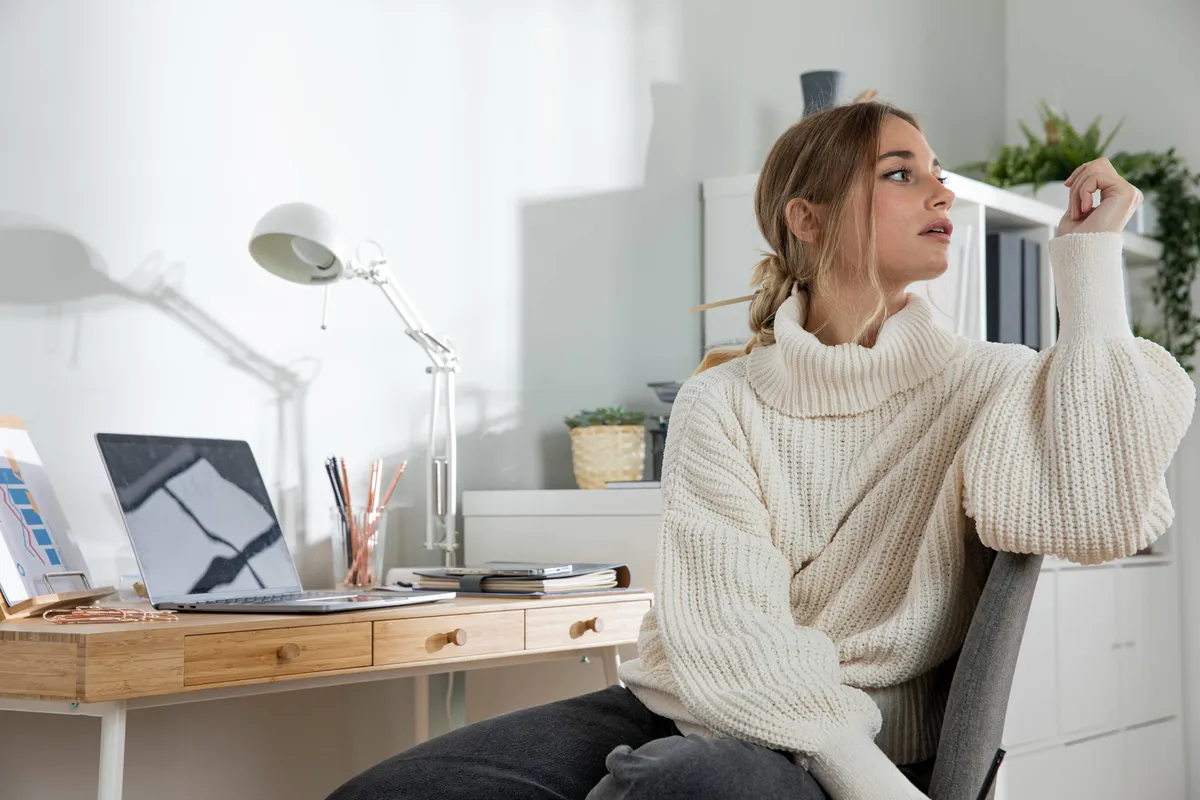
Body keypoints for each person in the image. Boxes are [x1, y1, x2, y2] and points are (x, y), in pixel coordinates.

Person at [326, 99, 1196, 800]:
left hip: (858, 740)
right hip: (693, 703)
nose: (943, 194)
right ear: (807, 219)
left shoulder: (988, 385)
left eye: (938, 175)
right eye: (902, 173)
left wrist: (1087, 263)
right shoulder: (725, 403)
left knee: (686, 787)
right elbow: (734, 646)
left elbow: (1099, 514)